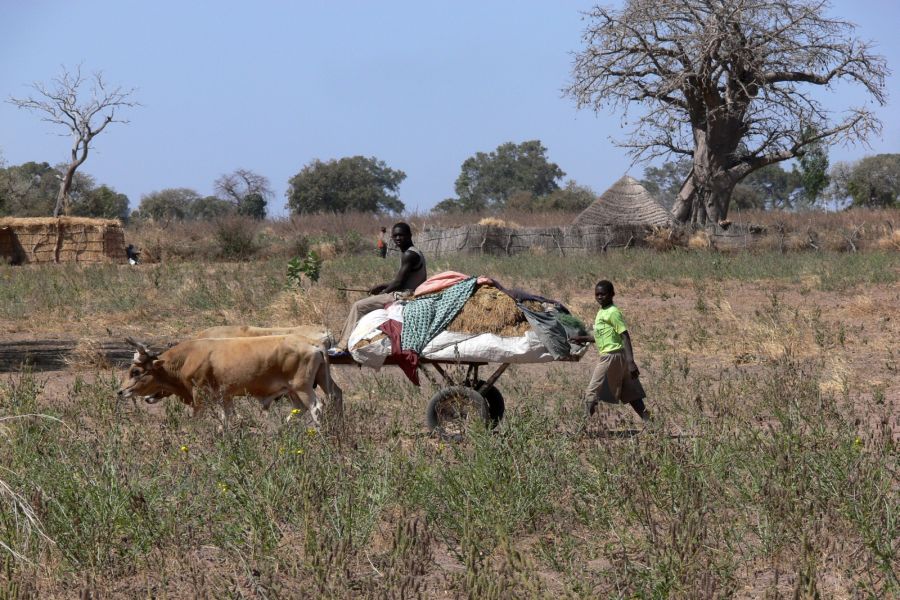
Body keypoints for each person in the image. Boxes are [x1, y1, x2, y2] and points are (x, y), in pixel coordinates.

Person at [332, 222, 427, 353]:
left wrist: (382, 293)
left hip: (405, 296)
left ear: (410, 235)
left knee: (358, 306)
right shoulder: (414, 252)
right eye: (395, 236)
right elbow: (403, 280)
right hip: (409, 292)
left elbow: (399, 284)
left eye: (401, 235)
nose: (398, 238)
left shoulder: (409, 255)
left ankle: (342, 346)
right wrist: (382, 286)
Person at [569, 280, 651, 423]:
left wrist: (631, 362)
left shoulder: (613, 312)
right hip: (619, 356)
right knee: (630, 392)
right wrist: (584, 338)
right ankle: (651, 425)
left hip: (611, 357)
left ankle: (579, 427)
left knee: (592, 391)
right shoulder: (602, 311)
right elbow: (604, 336)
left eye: (603, 294)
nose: (600, 297)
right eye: (597, 294)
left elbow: (624, 336)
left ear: (612, 294)